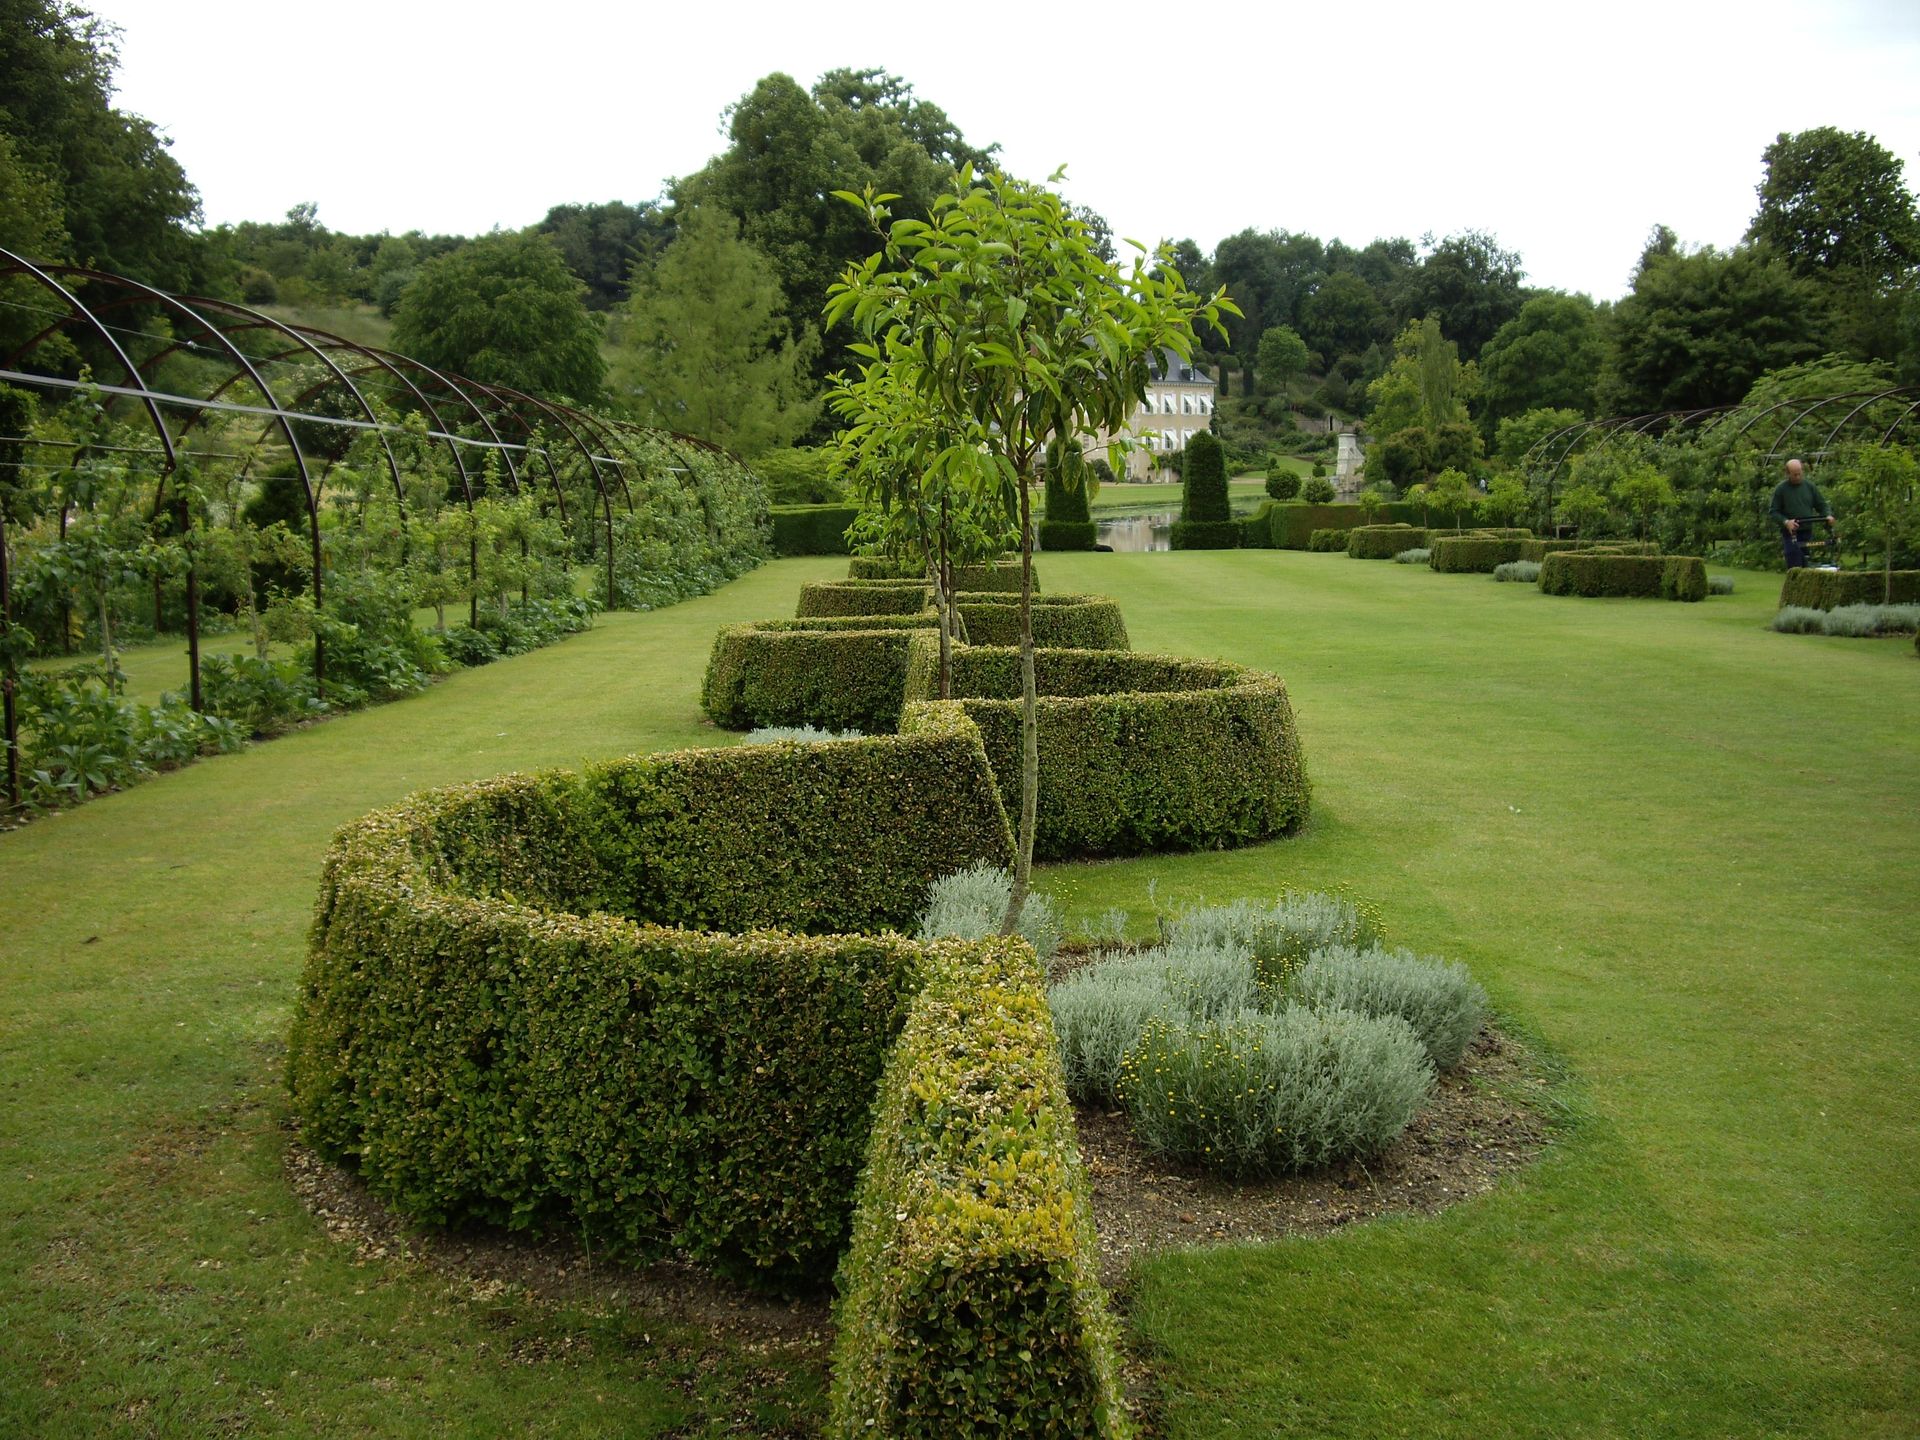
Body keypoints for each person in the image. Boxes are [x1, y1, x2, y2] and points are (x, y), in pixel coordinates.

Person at [1769, 458, 1836, 569]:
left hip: (1806, 530)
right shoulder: (1781, 489)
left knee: (1806, 562)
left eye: (1800, 474)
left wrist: (1828, 515)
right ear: (1787, 473)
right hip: (1791, 532)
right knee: (1794, 561)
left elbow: (1822, 505)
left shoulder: (1809, 487)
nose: (1798, 477)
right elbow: (1773, 512)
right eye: (1795, 475)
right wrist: (1786, 522)